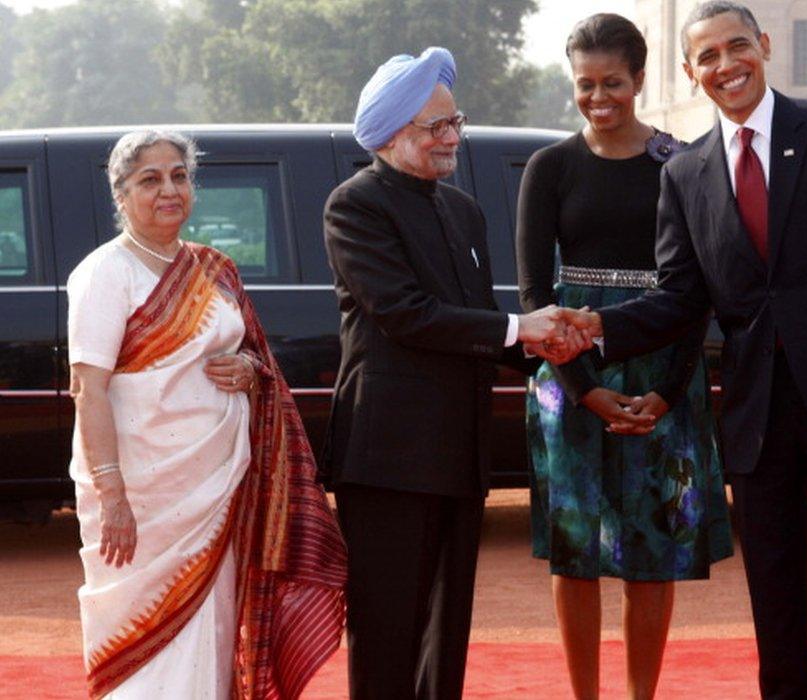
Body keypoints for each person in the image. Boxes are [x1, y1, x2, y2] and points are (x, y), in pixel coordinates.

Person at [552, 3, 807, 698]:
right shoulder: (684, 173)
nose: (728, 66)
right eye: (710, 58)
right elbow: (680, 301)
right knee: (773, 606)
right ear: (691, 73)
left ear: (766, 46)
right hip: (755, 418)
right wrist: (598, 328)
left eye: (738, 47)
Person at [322, 47, 566, 699]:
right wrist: (522, 329)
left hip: (460, 451)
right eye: (436, 128)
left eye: (455, 120)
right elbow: (407, 315)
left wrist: (564, 344)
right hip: (388, 459)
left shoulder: (463, 212)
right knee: (386, 630)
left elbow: (480, 322)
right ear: (392, 134)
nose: (451, 137)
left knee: (445, 628)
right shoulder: (355, 207)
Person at [68, 130, 347, 699]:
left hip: (218, 489)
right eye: (150, 179)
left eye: (179, 175)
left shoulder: (214, 268)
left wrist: (248, 370)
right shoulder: (105, 273)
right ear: (120, 194)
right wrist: (112, 494)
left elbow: (255, 358)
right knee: (144, 633)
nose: (169, 189)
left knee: (214, 630)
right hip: (144, 499)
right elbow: (87, 391)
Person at [515, 13, 733, 699]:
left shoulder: (683, 163)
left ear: (641, 79)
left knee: (654, 552)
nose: (599, 96)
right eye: (585, 84)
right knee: (574, 552)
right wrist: (584, 388)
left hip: (665, 368)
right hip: (569, 370)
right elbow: (531, 293)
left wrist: (667, 392)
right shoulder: (549, 168)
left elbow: (693, 292)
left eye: (613, 82)